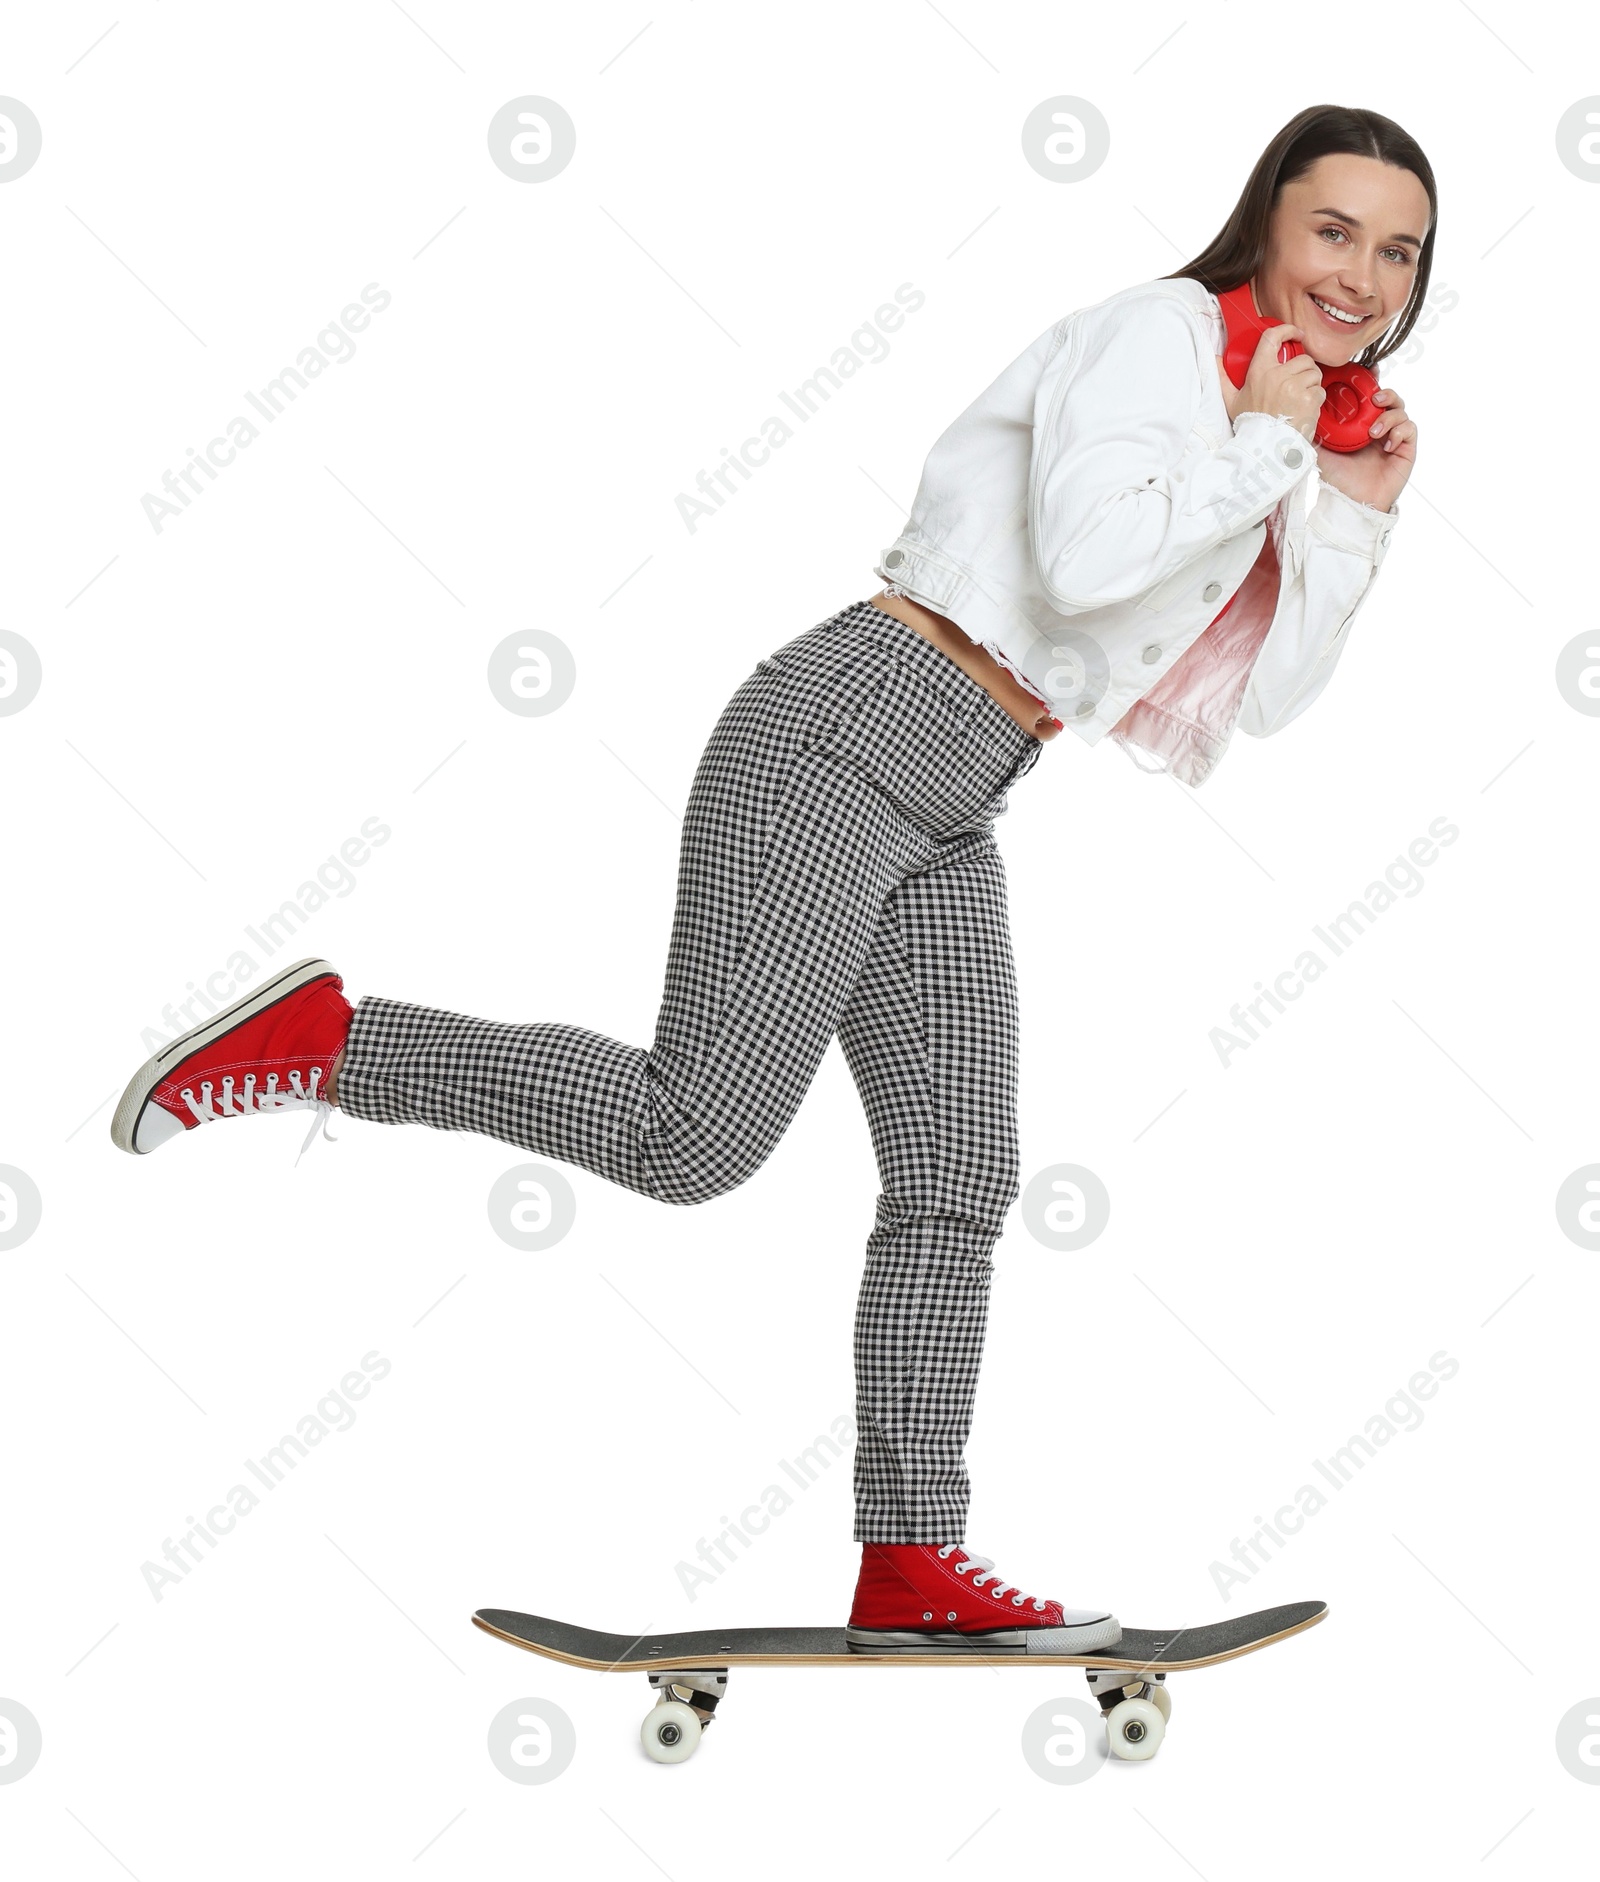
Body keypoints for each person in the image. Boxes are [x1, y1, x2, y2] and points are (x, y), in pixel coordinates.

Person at [110, 103, 1427, 1655]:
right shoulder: (1161, 343)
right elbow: (1082, 560)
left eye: (1397, 250)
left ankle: (910, 1554)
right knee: (695, 1137)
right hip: (844, 729)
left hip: (954, 796)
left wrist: (1348, 506)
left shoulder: (1286, 419)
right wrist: (1273, 442)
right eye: (1333, 229)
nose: (1361, 273)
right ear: (1267, 220)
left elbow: (1261, 698)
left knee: (957, 1178)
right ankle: (339, 1039)